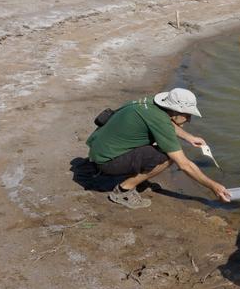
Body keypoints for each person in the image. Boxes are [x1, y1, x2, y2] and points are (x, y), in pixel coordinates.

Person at [86, 88, 231, 208]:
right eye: (187, 115)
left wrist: (189, 137)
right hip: (106, 161)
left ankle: (133, 176)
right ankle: (123, 190)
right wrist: (213, 186)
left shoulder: (152, 103)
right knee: (167, 157)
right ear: (175, 111)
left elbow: (165, 122)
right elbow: (185, 165)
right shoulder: (160, 121)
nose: (189, 119)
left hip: (99, 148)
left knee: (159, 143)